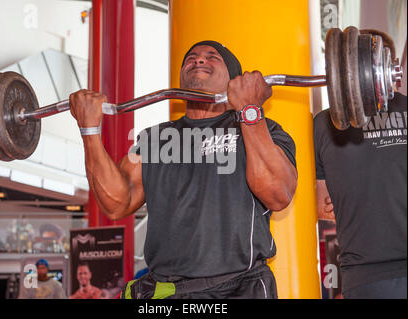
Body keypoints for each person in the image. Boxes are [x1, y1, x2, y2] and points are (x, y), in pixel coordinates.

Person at [69, 40, 297, 299]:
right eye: (191, 57)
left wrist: (249, 111)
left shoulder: (259, 130)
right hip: (168, 293)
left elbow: (278, 193)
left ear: (234, 81)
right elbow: (116, 203)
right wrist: (89, 130)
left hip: (236, 289)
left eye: (212, 57)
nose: (199, 60)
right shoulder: (155, 139)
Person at [314, 85, 407, 298]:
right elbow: (322, 206)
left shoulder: (323, 122)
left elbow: (324, 207)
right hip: (364, 276)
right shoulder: (323, 124)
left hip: (363, 277)